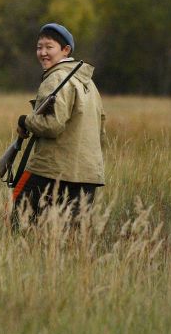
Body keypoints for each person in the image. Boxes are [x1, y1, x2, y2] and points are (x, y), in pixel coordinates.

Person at [10, 22, 105, 225]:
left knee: (19, 224)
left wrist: (25, 121)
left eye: (49, 47)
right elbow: (101, 130)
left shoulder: (56, 78)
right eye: (39, 47)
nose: (43, 52)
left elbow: (52, 125)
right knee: (70, 237)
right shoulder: (88, 83)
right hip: (89, 174)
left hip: (50, 170)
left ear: (65, 50)